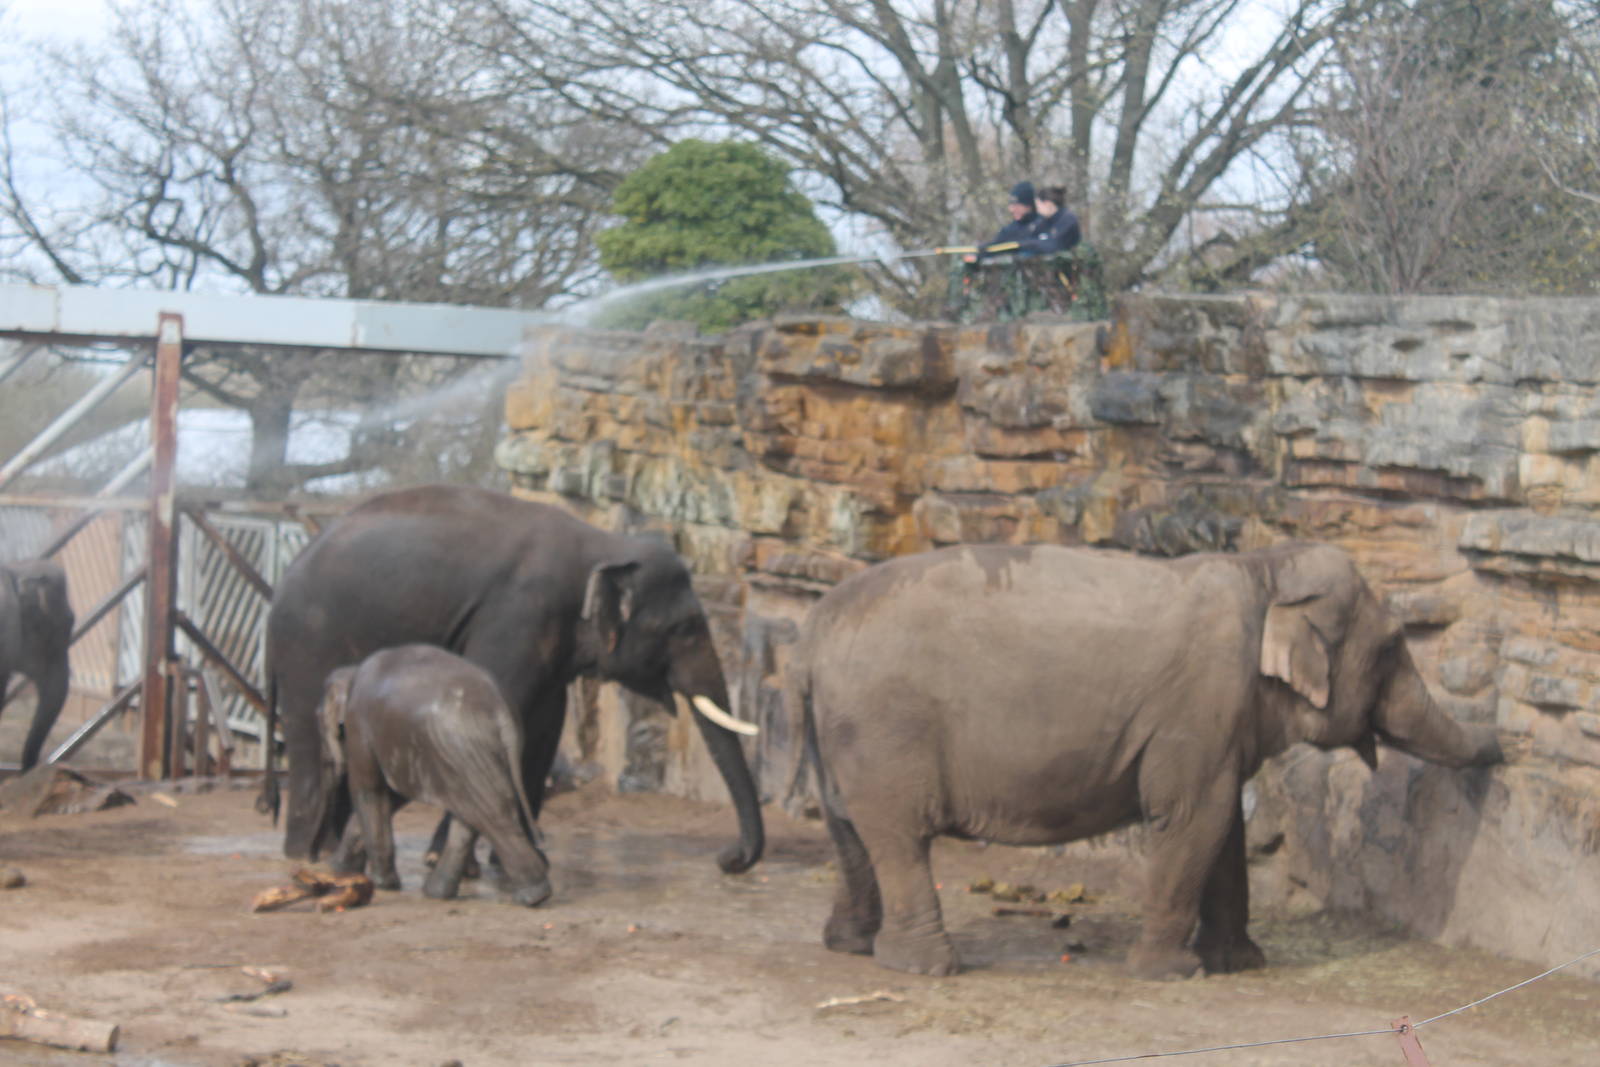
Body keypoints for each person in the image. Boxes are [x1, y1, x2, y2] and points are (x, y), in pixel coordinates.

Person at [964, 181, 1038, 263]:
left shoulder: (1043, 224)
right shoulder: (1010, 229)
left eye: (1017, 205)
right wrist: (978, 254)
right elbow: (997, 245)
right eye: (1011, 205)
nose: (1012, 209)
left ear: (1029, 205)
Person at [1015, 186, 1080, 257]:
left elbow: (1054, 245)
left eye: (1038, 205)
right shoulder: (1043, 221)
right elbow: (1031, 238)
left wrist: (1031, 244)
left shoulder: (1068, 219)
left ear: (1048, 204)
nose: (1037, 209)